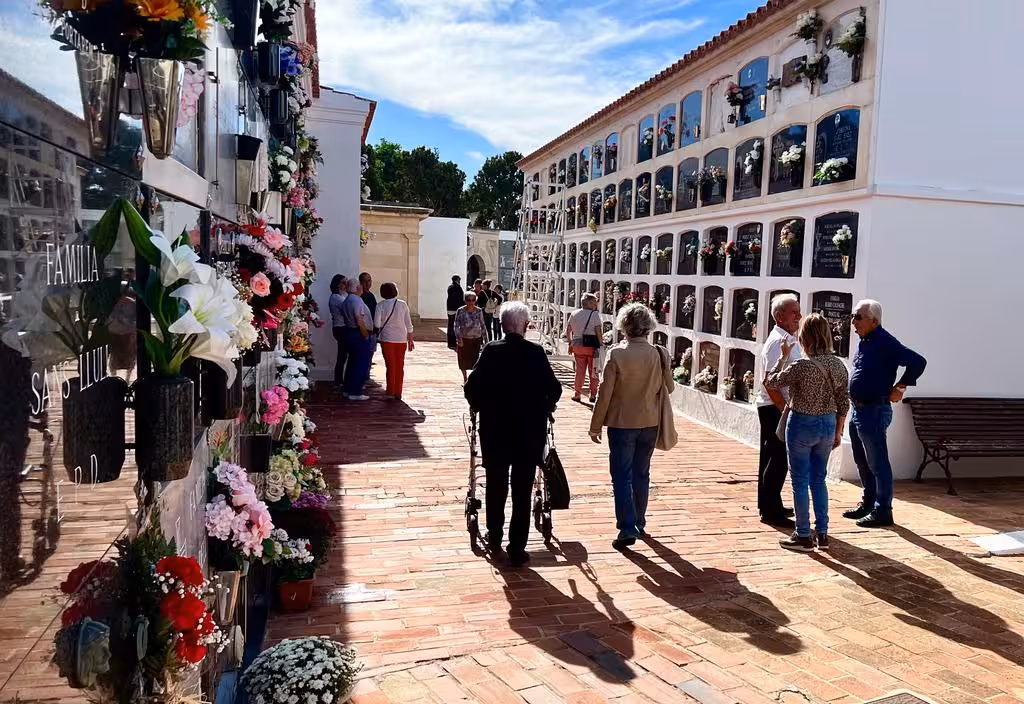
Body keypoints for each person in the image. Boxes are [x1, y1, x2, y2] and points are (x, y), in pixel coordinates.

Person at [464, 301, 562, 567]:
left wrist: (482, 406)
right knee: (522, 489)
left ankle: (494, 536)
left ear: (504, 325)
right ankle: (517, 547)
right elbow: (554, 389)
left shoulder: (491, 351)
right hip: (528, 432)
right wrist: (543, 406)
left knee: (496, 484)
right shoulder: (535, 352)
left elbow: (471, 387)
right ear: (525, 325)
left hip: (495, 430)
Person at [589, 303, 674, 550]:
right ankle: (639, 519)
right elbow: (670, 387)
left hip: (621, 423)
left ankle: (627, 528)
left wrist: (595, 426)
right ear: (648, 327)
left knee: (621, 476)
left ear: (624, 326)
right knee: (641, 473)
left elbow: (605, 394)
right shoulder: (660, 353)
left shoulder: (617, 354)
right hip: (650, 422)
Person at [765, 314, 850, 552]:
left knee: (800, 481)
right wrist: (839, 429)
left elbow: (771, 381)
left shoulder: (802, 365)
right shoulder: (839, 365)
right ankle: (822, 533)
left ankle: (803, 534)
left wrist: (782, 357)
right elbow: (844, 401)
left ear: (806, 337)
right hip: (828, 424)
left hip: (802, 423)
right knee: (818, 479)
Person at [844, 299, 927, 528]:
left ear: (874, 320)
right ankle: (868, 502)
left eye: (858, 317)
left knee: (877, 461)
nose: (854, 321)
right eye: (853, 316)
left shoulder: (885, 342)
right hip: (858, 408)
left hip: (874, 409)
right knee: (862, 460)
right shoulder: (865, 341)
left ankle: (883, 511)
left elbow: (918, 362)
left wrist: (900, 387)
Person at [755, 293, 802, 527]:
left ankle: (769, 502)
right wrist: (785, 410)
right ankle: (770, 510)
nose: (799, 316)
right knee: (777, 457)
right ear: (779, 316)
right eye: (794, 312)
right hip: (775, 407)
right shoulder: (777, 342)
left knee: (774, 457)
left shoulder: (787, 338)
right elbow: (769, 381)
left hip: (778, 406)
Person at [374, 282, 415, 401]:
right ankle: (398, 391)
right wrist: (410, 338)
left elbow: (377, 324)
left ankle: (390, 391)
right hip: (401, 339)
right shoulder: (402, 304)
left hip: (387, 338)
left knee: (390, 366)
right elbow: (408, 323)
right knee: (399, 365)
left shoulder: (380, 305)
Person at [565, 292, 602, 403]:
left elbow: (568, 331)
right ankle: (593, 394)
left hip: (577, 346)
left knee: (580, 371)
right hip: (591, 346)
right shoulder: (594, 315)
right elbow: (598, 331)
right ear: (589, 303)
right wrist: (601, 343)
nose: (596, 305)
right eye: (595, 302)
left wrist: (571, 343)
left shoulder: (574, 313)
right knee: (593, 370)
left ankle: (577, 394)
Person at [339, 279, 372, 400]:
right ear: (358, 288)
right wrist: (365, 334)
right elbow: (359, 319)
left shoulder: (347, 300)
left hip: (349, 332)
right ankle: (355, 391)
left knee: (352, 362)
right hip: (357, 333)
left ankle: (348, 389)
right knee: (359, 363)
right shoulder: (356, 300)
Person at [453, 291, 487, 384]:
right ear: (465, 300)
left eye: (473, 300)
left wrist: (486, 340)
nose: (471, 302)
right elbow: (456, 324)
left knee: (475, 360)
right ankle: (465, 378)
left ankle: (473, 379)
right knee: (462, 360)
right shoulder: (460, 310)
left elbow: (483, 325)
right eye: (468, 300)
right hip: (464, 339)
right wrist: (459, 338)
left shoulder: (479, 311)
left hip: (476, 339)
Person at [328, 274, 349, 392]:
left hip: (342, 327)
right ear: (337, 284)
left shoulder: (343, 296)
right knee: (342, 355)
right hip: (340, 328)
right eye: (343, 283)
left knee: (344, 355)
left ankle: (341, 380)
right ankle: (338, 381)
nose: (345, 285)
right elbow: (347, 310)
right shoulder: (336, 297)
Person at [359, 272, 378, 377]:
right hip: (363, 330)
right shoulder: (359, 297)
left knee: (370, 355)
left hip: (372, 331)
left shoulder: (371, 296)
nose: (367, 283)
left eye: (369, 280)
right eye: (365, 281)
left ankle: (366, 375)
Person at [446, 275, 463, 349]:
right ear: (456, 280)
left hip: (449, 308)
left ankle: (450, 342)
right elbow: (460, 299)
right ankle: (453, 342)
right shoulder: (458, 288)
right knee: (454, 326)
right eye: (459, 279)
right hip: (456, 309)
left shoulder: (450, 287)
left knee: (450, 326)